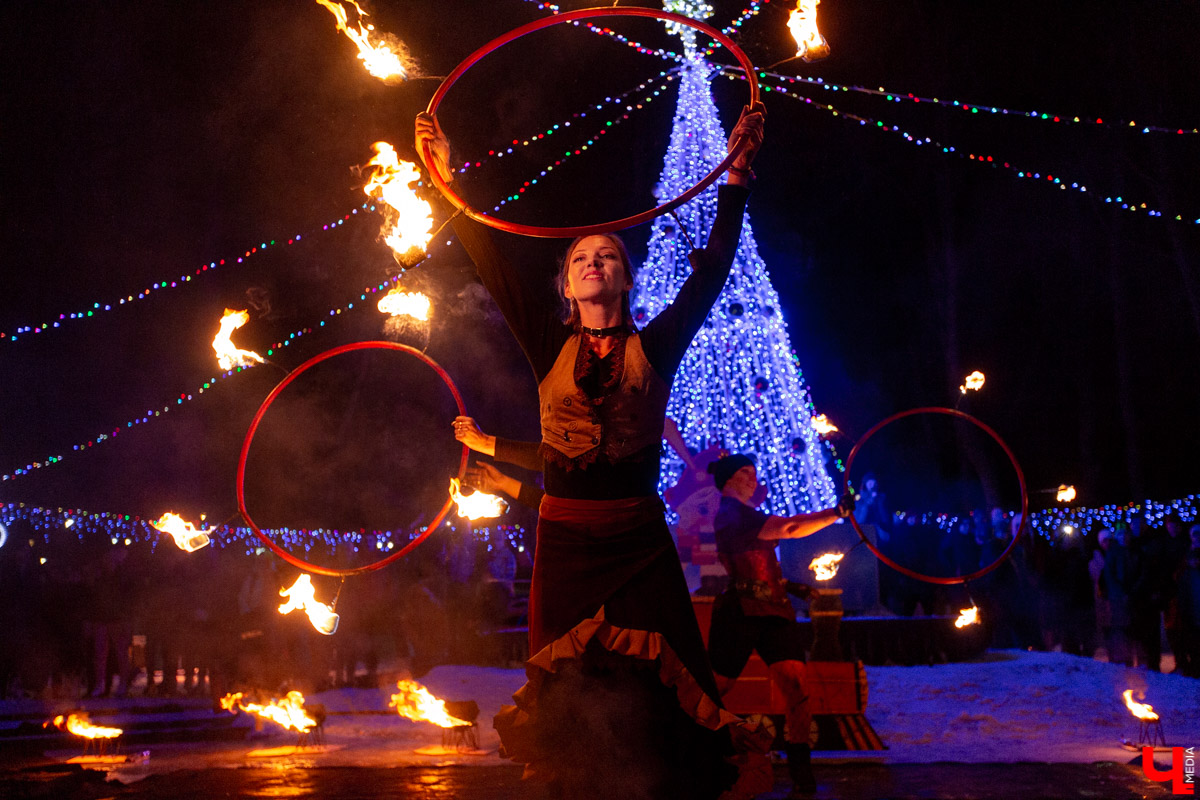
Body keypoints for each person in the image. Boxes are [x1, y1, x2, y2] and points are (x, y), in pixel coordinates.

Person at [418, 103, 769, 800]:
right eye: (580, 256)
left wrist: (734, 179)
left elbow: (712, 274)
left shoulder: (656, 345)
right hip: (569, 540)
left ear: (625, 276)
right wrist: (444, 180)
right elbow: (491, 263)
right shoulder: (547, 342)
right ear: (566, 283)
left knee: (663, 681)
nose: (594, 260)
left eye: (607, 253)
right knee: (570, 683)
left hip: (637, 538)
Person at [705, 453, 850, 797]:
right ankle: (689, 757)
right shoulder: (731, 514)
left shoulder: (748, 516)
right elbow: (791, 528)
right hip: (739, 612)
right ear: (728, 480)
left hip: (774, 611)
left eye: (754, 473)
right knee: (714, 690)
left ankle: (803, 779)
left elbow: (761, 567)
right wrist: (835, 513)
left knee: (797, 689)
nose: (753, 479)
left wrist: (792, 586)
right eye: (745, 473)